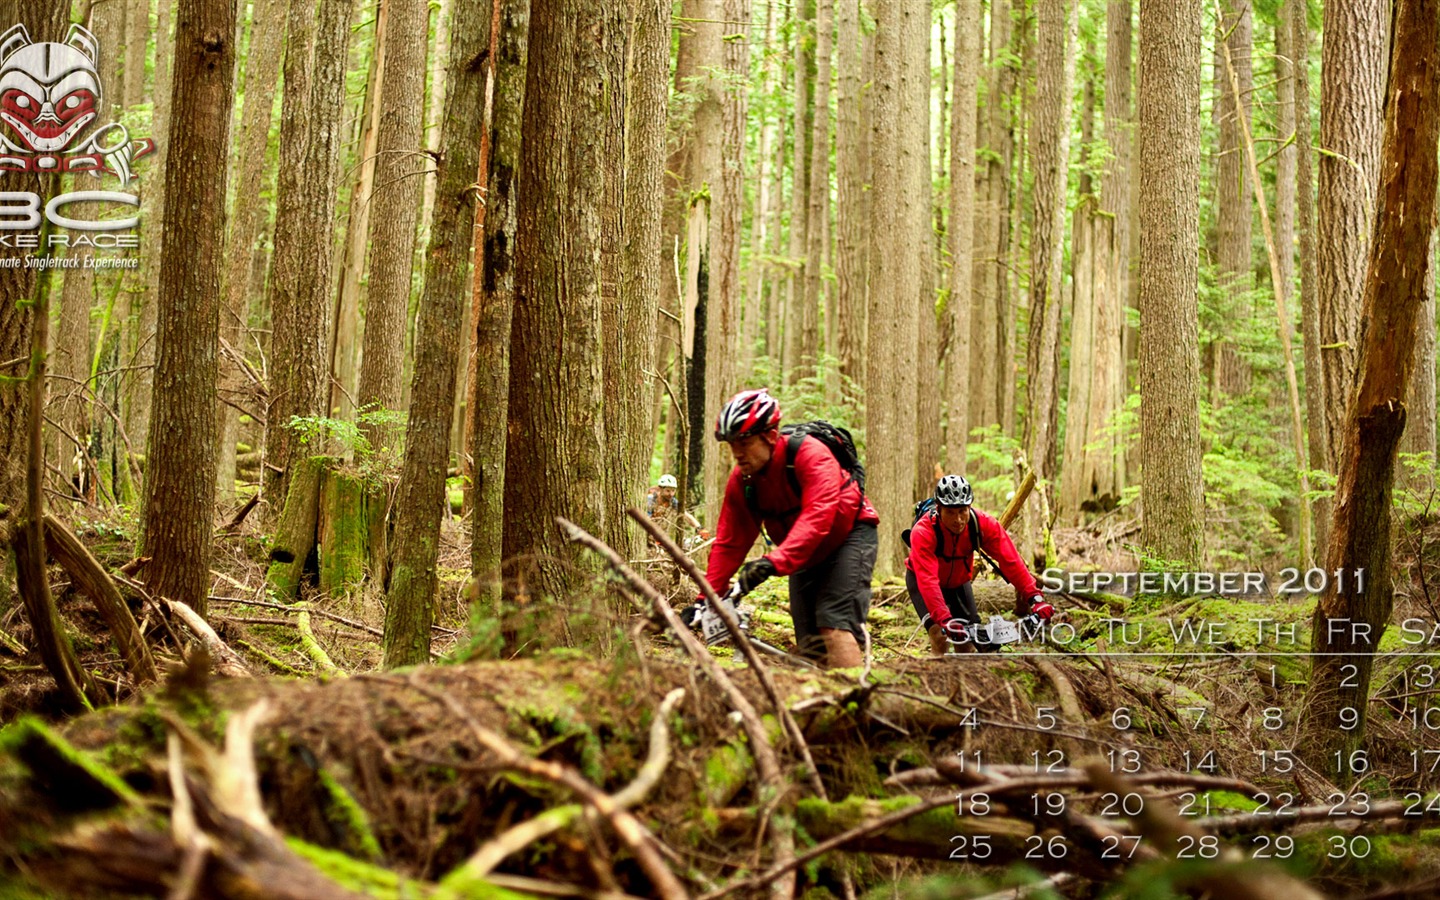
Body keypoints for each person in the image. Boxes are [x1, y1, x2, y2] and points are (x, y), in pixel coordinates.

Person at [698, 388, 879, 667]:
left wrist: (773, 562)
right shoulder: (743, 481)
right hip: (803, 554)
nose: (737, 452)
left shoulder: (810, 454)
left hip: (849, 537)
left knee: (834, 624)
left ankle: (860, 702)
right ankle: (824, 704)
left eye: (744, 442)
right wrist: (705, 599)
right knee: (810, 645)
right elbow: (730, 543)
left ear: (769, 436)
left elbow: (819, 516)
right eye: (732, 444)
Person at [906, 474, 1053, 655]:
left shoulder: (982, 524)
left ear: (969, 507)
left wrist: (1035, 598)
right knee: (939, 635)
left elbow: (1011, 560)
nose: (958, 519)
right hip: (921, 582)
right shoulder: (923, 532)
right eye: (950, 512)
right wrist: (944, 619)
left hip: (958, 583)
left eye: (962, 511)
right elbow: (927, 580)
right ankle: (936, 678)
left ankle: (964, 680)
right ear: (939, 509)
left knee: (967, 643)